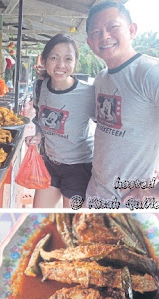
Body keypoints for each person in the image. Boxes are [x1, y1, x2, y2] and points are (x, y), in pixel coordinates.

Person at [84, 2, 159, 206]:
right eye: (96, 31)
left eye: (113, 26)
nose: (105, 36)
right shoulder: (101, 78)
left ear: (132, 30)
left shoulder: (153, 73)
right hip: (96, 193)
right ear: (89, 42)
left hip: (132, 201)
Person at [24, 33, 95, 208]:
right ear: (45, 60)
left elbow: (108, 129)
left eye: (68, 59)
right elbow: (41, 119)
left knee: (71, 224)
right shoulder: (40, 86)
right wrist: (38, 136)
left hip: (79, 168)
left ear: (75, 62)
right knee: (38, 215)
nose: (61, 65)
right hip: (50, 163)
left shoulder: (88, 93)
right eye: (54, 58)